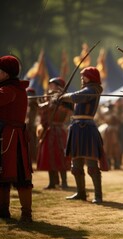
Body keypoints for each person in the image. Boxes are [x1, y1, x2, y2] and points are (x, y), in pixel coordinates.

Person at [58, 66, 108, 204]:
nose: (82, 78)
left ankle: (98, 195)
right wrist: (60, 99)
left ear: (91, 77)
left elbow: (76, 97)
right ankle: (81, 193)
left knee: (92, 165)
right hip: (76, 128)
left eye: (84, 76)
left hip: (87, 128)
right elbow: (73, 103)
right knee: (76, 165)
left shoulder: (93, 89)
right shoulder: (86, 90)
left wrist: (64, 96)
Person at [0, 55, 33, 222]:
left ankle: (26, 214)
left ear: (6, 74)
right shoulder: (10, 87)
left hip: (12, 137)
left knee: (21, 176)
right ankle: (3, 211)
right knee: (2, 175)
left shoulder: (9, 90)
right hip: (7, 135)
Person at [36, 77, 73, 189]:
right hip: (48, 130)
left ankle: (64, 182)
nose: (50, 87)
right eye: (50, 85)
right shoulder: (48, 98)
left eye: (53, 85)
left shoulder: (64, 99)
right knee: (48, 156)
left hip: (59, 130)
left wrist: (57, 102)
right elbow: (41, 111)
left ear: (58, 86)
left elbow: (68, 111)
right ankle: (52, 182)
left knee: (61, 156)